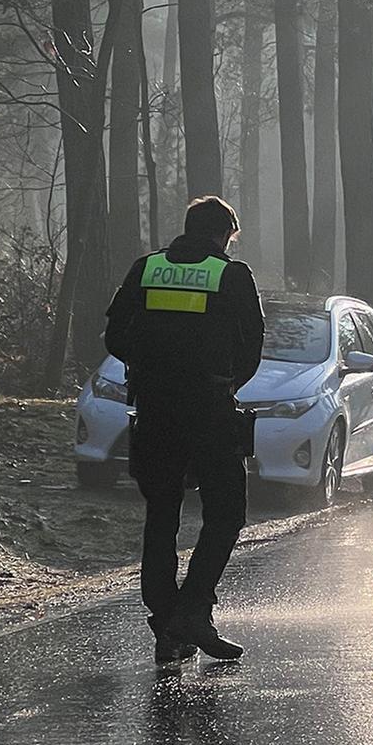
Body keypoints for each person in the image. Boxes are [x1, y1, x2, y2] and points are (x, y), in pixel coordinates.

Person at [103, 196, 265, 664]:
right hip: (210, 410)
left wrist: (152, 365)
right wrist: (226, 379)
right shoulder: (232, 275)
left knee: (162, 515)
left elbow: (115, 335)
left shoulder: (146, 267)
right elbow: (252, 345)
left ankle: (167, 625)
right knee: (226, 513)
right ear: (223, 235)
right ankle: (193, 610)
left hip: (154, 411)